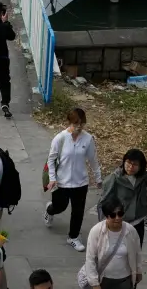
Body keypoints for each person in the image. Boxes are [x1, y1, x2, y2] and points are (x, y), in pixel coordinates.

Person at [44, 107, 102, 252]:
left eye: (82, 123)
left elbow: (93, 159)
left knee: (78, 211)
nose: (79, 126)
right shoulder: (60, 138)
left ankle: (73, 237)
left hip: (80, 182)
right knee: (59, 206)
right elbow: (51, 160)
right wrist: (52, 178)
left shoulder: (88, 139)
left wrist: (98, 177)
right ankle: (50, 210)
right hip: (61, 182)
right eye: (76, 123)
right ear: (69, 122)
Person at [99, 149, 147, 246]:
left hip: (138, 221)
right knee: (120, 251)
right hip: (120, 221)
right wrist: (104, 225)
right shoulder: (114, 178)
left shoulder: (143, 177)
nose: (131, 167)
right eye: (128, 163)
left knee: (136, 249)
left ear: (141, 166)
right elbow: (103, 202)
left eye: (135, 164)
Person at [82, 199, 142, 289]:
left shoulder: (130, 231)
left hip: (125, 279)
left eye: (120, 214)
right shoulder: (96, 231)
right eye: (113, 215)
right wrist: (94, 283)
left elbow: (137, 253)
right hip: (104, 279)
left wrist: (138, 270)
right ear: (106, 216)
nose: (117, 218)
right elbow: (90, 259)